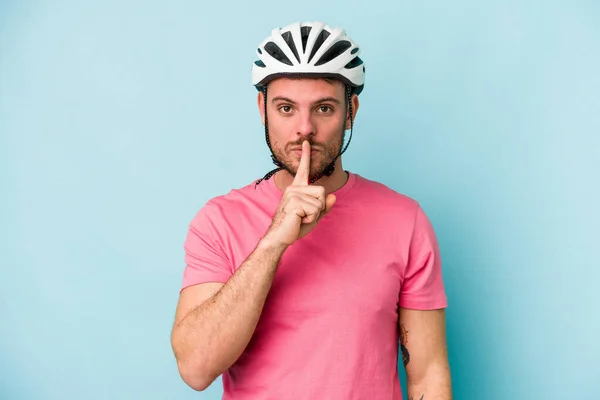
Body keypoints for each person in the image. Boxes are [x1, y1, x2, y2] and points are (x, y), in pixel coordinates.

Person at [170, 21, 452, 399]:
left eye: (323, 108)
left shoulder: (404, 220)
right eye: (286, 108)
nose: (305, 129)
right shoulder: (219, 221)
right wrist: (273, 243)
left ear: (350, 111)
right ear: (263, 110)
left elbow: (428, 375)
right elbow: (195, 368)